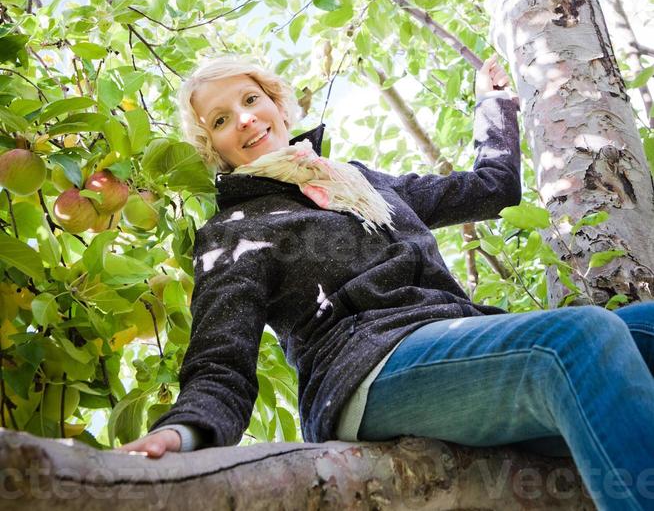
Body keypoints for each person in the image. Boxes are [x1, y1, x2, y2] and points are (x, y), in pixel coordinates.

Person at [119, 53, 654, 511]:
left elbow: (491, 187)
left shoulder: (361, 182)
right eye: (219, 120)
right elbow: (221, 359)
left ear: (277, 104)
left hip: (457, 347)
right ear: (214, 150)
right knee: (579, 338)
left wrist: (493, 105)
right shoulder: (236, 229)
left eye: (250, 99)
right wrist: (183, 431)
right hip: (366, 371)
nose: (244, 119)